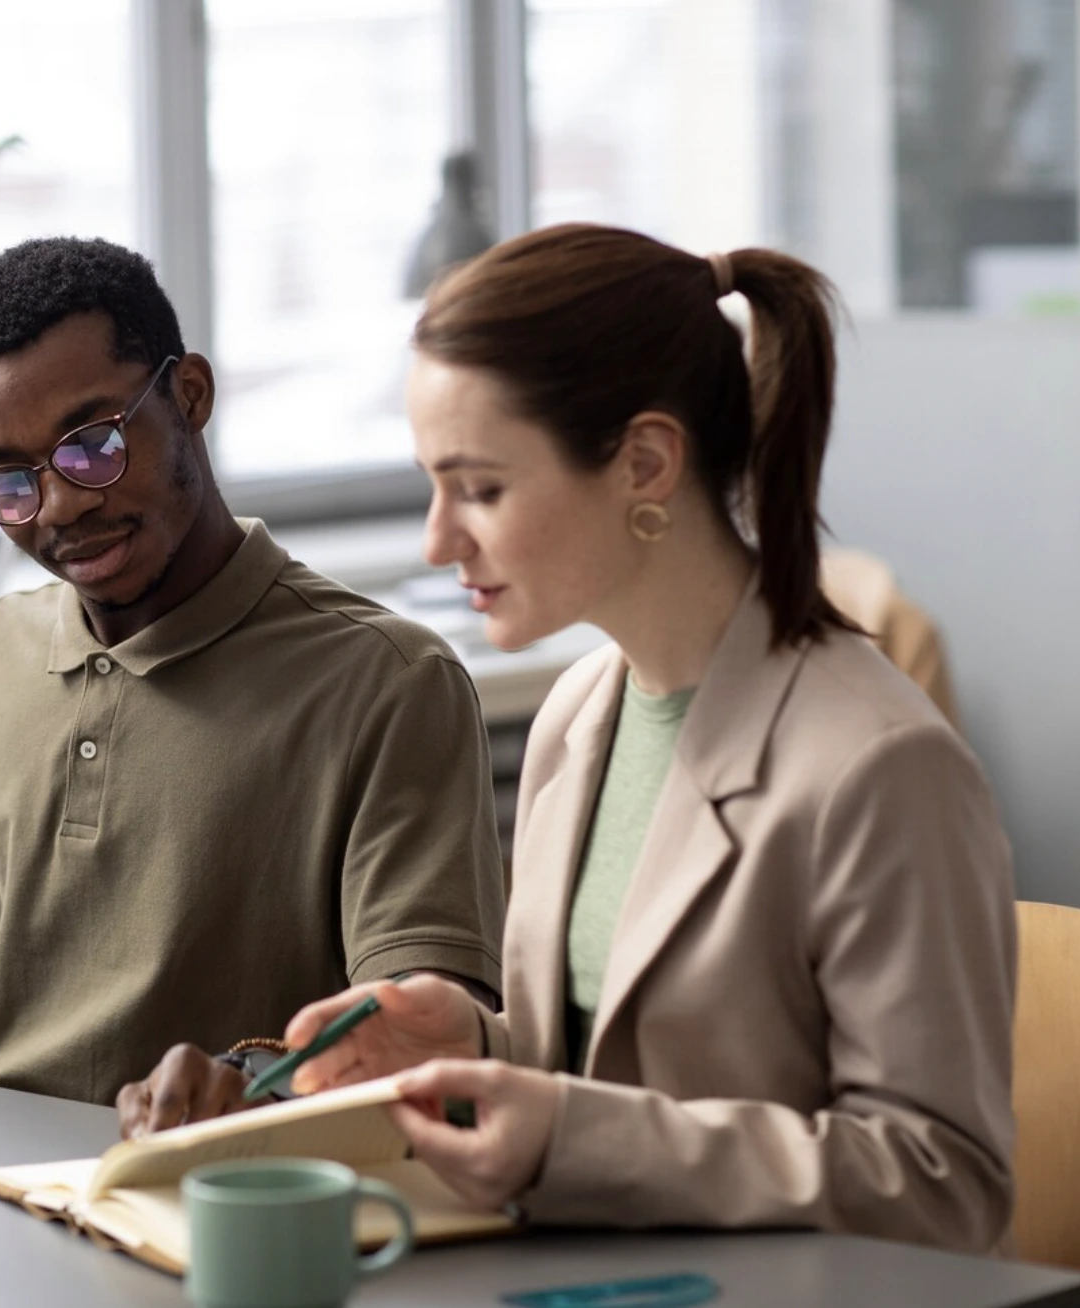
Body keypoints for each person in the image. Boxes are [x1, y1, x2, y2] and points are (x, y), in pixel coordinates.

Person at [238, 224, 1016, 1252]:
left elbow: (941, 1183)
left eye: (481, 490)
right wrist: (480, 1040)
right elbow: (635, 1069)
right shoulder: (579, 715)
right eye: (434, 486)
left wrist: (567, 1135)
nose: (438, 540)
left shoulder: (880, 768)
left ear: (646, 462)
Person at [0, 236, 508, 1106]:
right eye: (8, 479)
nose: (64, 505)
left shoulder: (388, 681)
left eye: (93, 443)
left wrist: (250, 1084)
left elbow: (420, 1028)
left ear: (189, 396)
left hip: (209, 1191)